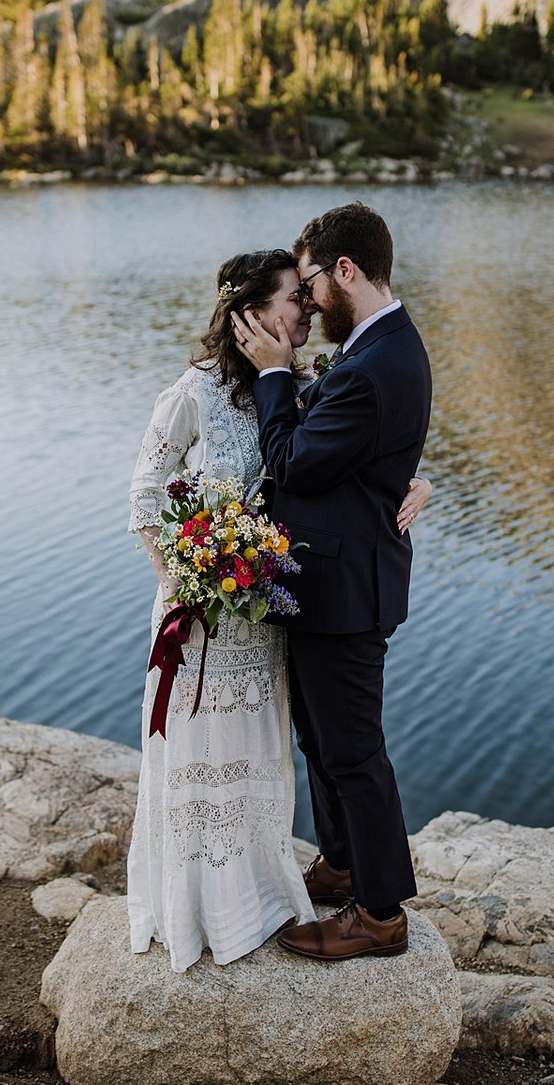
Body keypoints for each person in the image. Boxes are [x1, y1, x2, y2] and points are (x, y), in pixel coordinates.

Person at [127, 246, 430, 973]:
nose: (309, 308)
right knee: (223, 760)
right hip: (203, 618)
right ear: (251, 313)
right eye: (296, 297)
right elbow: (145, 497)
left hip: (268, 617)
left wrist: (413, 481)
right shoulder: (192, 393)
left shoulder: (294, 381)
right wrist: (187, 584)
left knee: (277, 756)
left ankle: (273, 892)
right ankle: (206, 905)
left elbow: (343, 451)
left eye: (308, 291)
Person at [233, 203, 431, 962]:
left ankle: (379, 913)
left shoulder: (378, 362)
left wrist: (277, 375)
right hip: (335, 580)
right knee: (322, 739)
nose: (309, 300)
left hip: (348, 592)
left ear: (345, 270)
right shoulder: (377, 347)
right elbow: (364, 447)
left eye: (311, 282)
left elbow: (297, 461)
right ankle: (343, 861)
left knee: (353, 752)